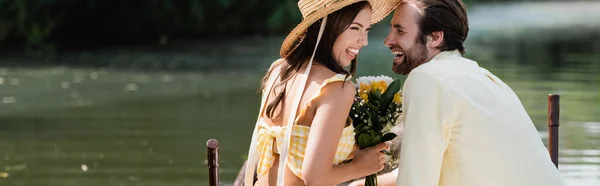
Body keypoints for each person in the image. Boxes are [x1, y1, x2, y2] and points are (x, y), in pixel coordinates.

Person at [349, 0, 569, 185]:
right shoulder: (485, 78)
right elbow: (433, 167)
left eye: (400, 30)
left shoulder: (427, 78)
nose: (388, 40)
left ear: (435, 38)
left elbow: (417, 181)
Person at [242, 0, 401, 186]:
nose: (364, 41)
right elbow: (316, 178)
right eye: (355, 28)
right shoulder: (335, 88)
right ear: (327, 27)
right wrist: (361, 167)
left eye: (366, 30)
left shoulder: (277, 71)